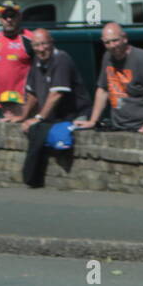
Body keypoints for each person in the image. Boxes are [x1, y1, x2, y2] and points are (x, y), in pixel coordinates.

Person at [19, 29, 89, 187]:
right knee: (36, 130)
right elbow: (32, 95)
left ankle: (33, 178)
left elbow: (56, 94)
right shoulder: (36, 62)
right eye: (36, 45)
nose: (41, 48)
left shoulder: (61, 59)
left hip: (74, 115)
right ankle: (31, 177)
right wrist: (23, 117)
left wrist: (38, 118)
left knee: (40, 129)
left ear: (52, 43)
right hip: (54, 116)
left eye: (44, 44)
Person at [74, 23, 143, 131]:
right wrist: (93, 121)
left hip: (142, 128)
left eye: (115, 40)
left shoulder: (142, 59)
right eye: (107, 42)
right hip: (118, 127)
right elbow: (103, 90)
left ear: (124, 38)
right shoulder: (108, 57)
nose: (112, 45)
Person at [0, 0, 32, 123]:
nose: (9, 20)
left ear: (19, 17)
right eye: (5, 16)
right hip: (2, 107)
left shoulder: (30, 39)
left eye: (12, 16)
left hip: (23, 105)